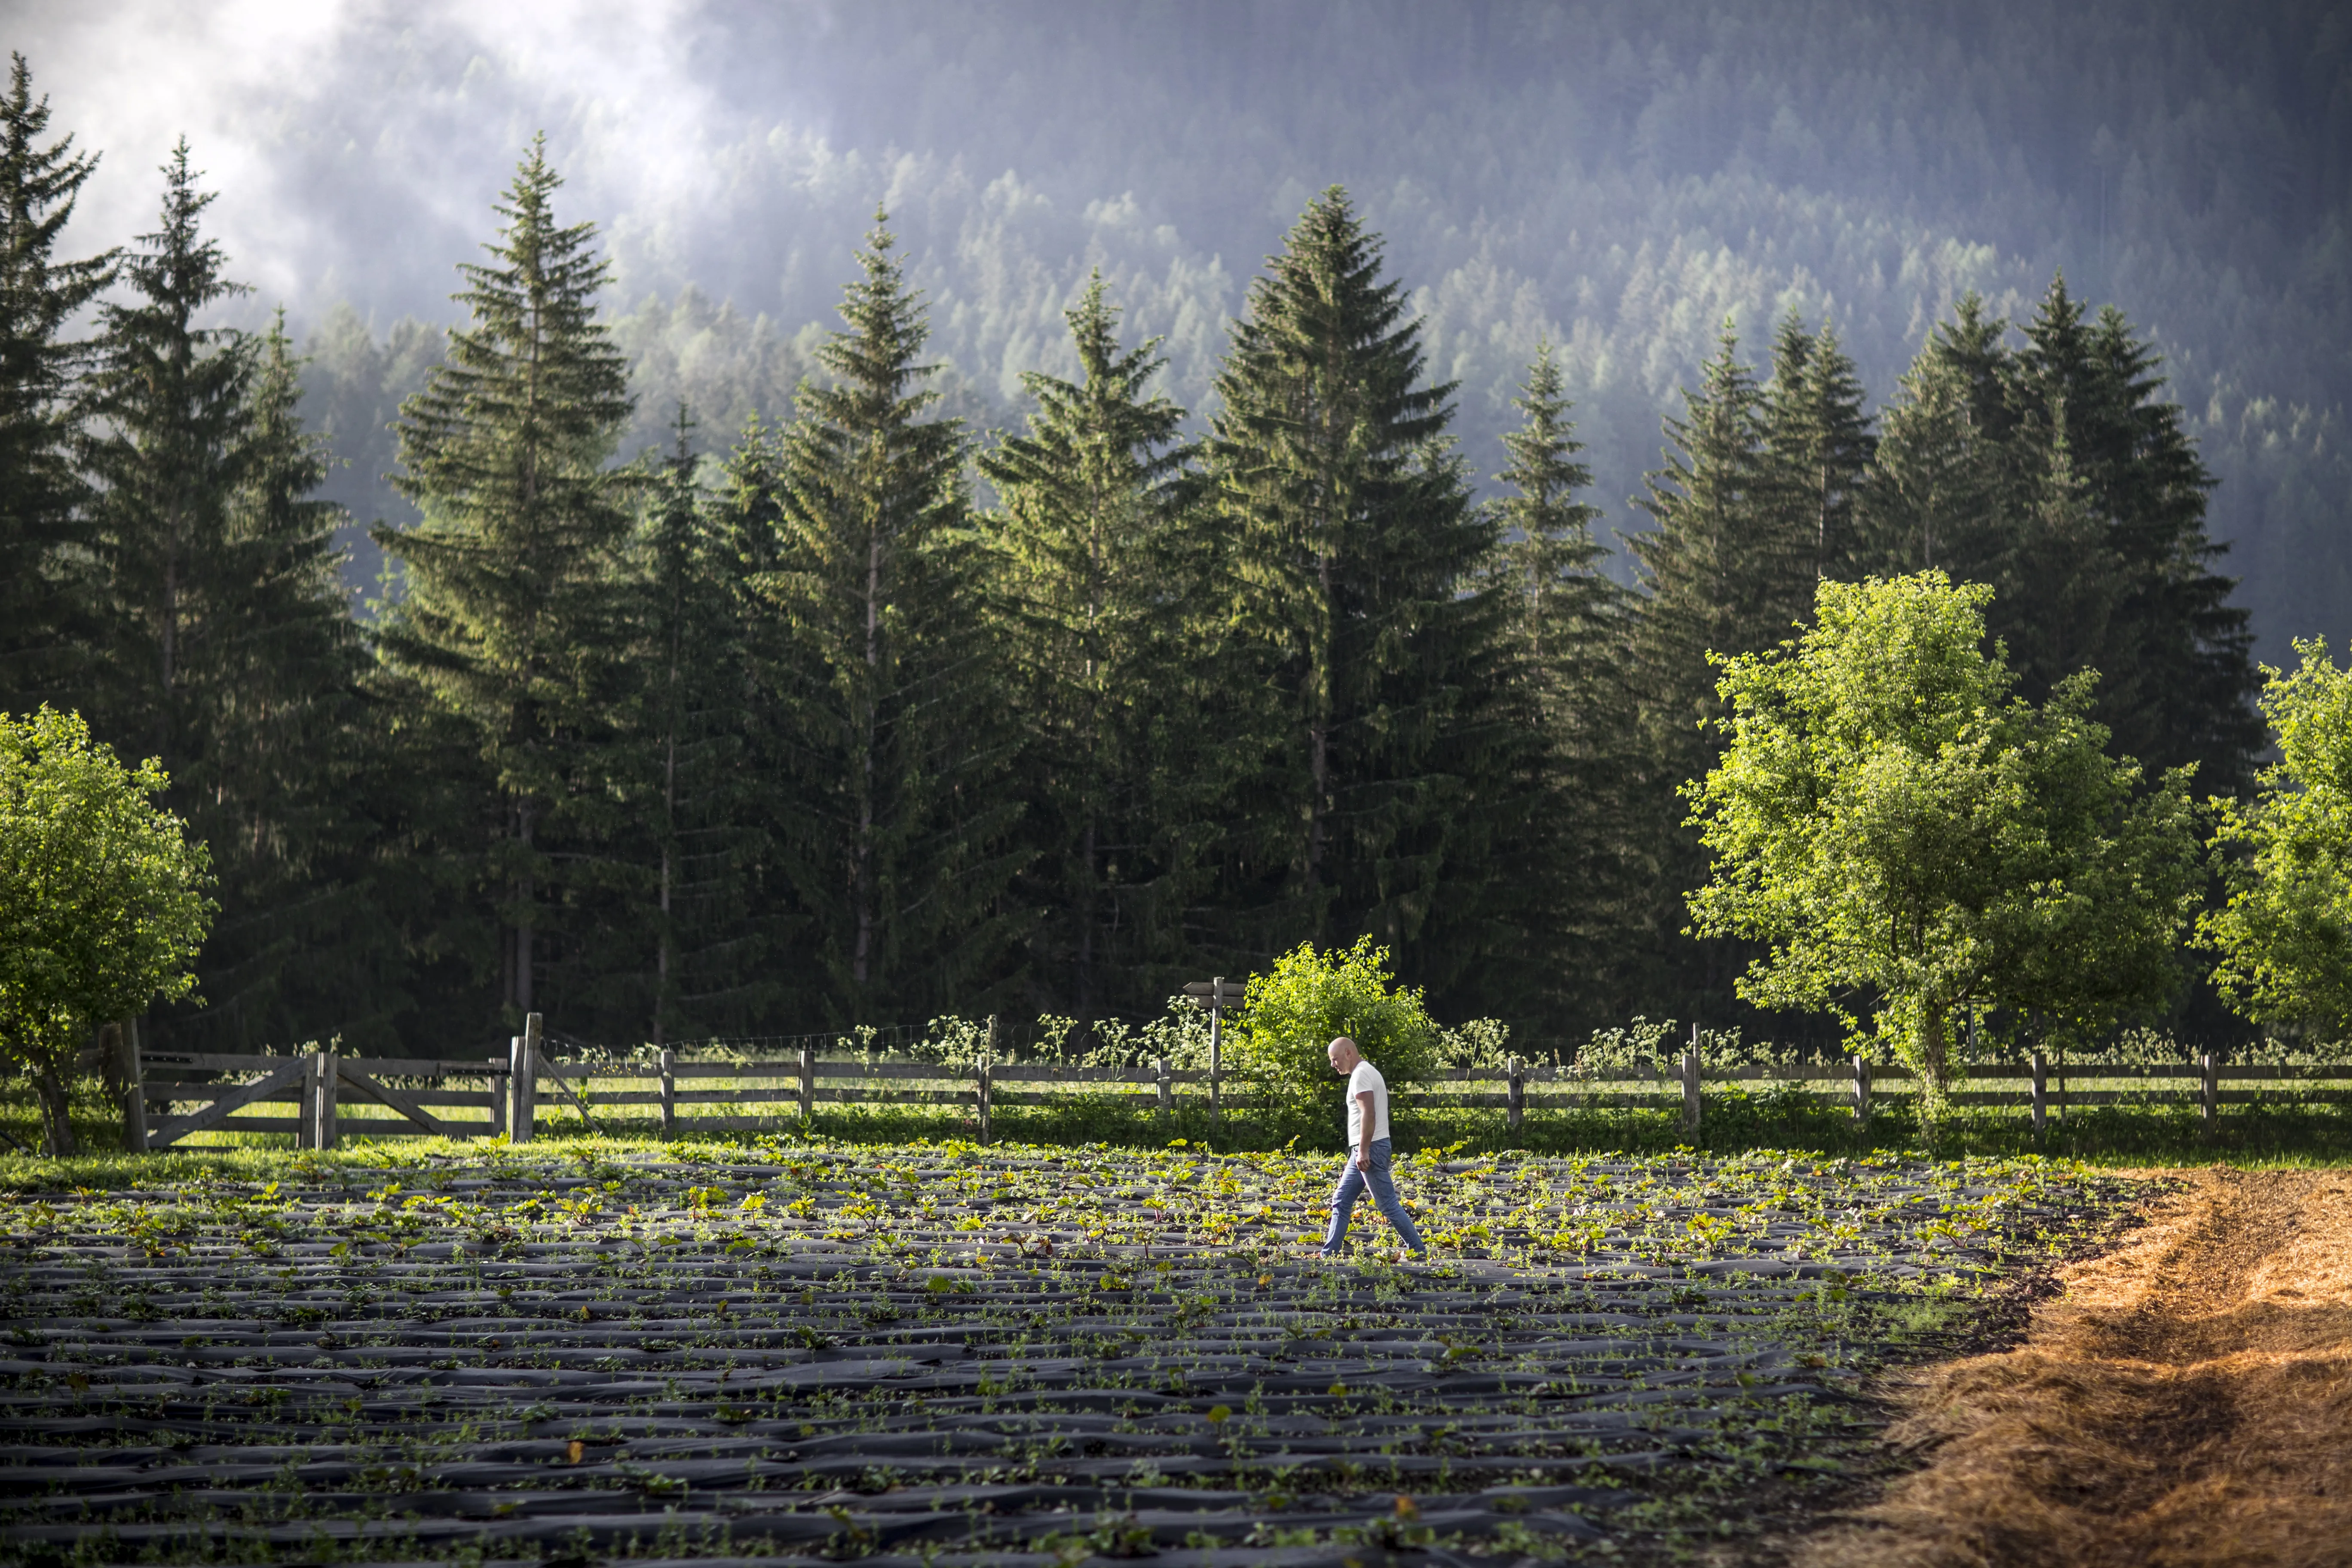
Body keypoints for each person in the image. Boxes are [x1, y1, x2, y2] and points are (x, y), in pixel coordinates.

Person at [1318, 1035, 1426, 1260]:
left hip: (1370, 1148)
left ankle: (1418, 1251)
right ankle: (1328, 1254)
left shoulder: (1360, 1075)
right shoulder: (1367, 1072)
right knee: (1342, 1199)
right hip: (1365, 1148)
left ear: (1349, 1053)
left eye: (1335, 1059)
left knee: (1387, 1204)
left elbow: (1369, 1113)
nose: (1333, 1065)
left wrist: (1364, 1150)